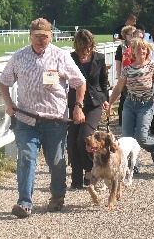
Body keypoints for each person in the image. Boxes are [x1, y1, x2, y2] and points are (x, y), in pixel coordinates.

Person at [0, 18, 86, 218]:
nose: (40, 41)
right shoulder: (19, 57)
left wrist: (78, 107)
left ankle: (57, 196)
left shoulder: (60, 56)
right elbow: (3, 81)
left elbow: (79, 82)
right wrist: (9, 103)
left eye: (44, 37)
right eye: (36, 37)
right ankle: (24, 203)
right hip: (26, 119)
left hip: (54, 120)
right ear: (30, 36)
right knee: (27, 158)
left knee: (56, 161)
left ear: (50, 36)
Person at [106, 38, 154, 167]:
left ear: (147, 51)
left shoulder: (152, 67)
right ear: (133, 51)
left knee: (141, 137)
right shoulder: (127, 69)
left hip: (146, 106)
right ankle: (133, 165)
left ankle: (153, 147)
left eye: (143, 48)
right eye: (138, 48)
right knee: (127, 138)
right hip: (129, 105)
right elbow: (118, 88)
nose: (141, 51)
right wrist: (109, 103)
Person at [67, 29, 109, 189]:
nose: (87, 50)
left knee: (84, 139)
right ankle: (77, 180)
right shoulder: (70, 58)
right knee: (72, 143)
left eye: (89, 46)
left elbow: (103, 81)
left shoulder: (99, 58)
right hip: (74, 103)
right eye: (84, 46)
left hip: (94, 103)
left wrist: (105, 100)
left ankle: (92, 172)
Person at [115, 25, 136, 125]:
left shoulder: (138, 45)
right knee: (124, 96)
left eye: (134, 34)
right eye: (130, 34)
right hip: (125, 76)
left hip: (136, 75)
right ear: (125, 35)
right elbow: (118, 63)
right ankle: (122, 120)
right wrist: (119, 77)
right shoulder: (121, 47)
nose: (132, 36)